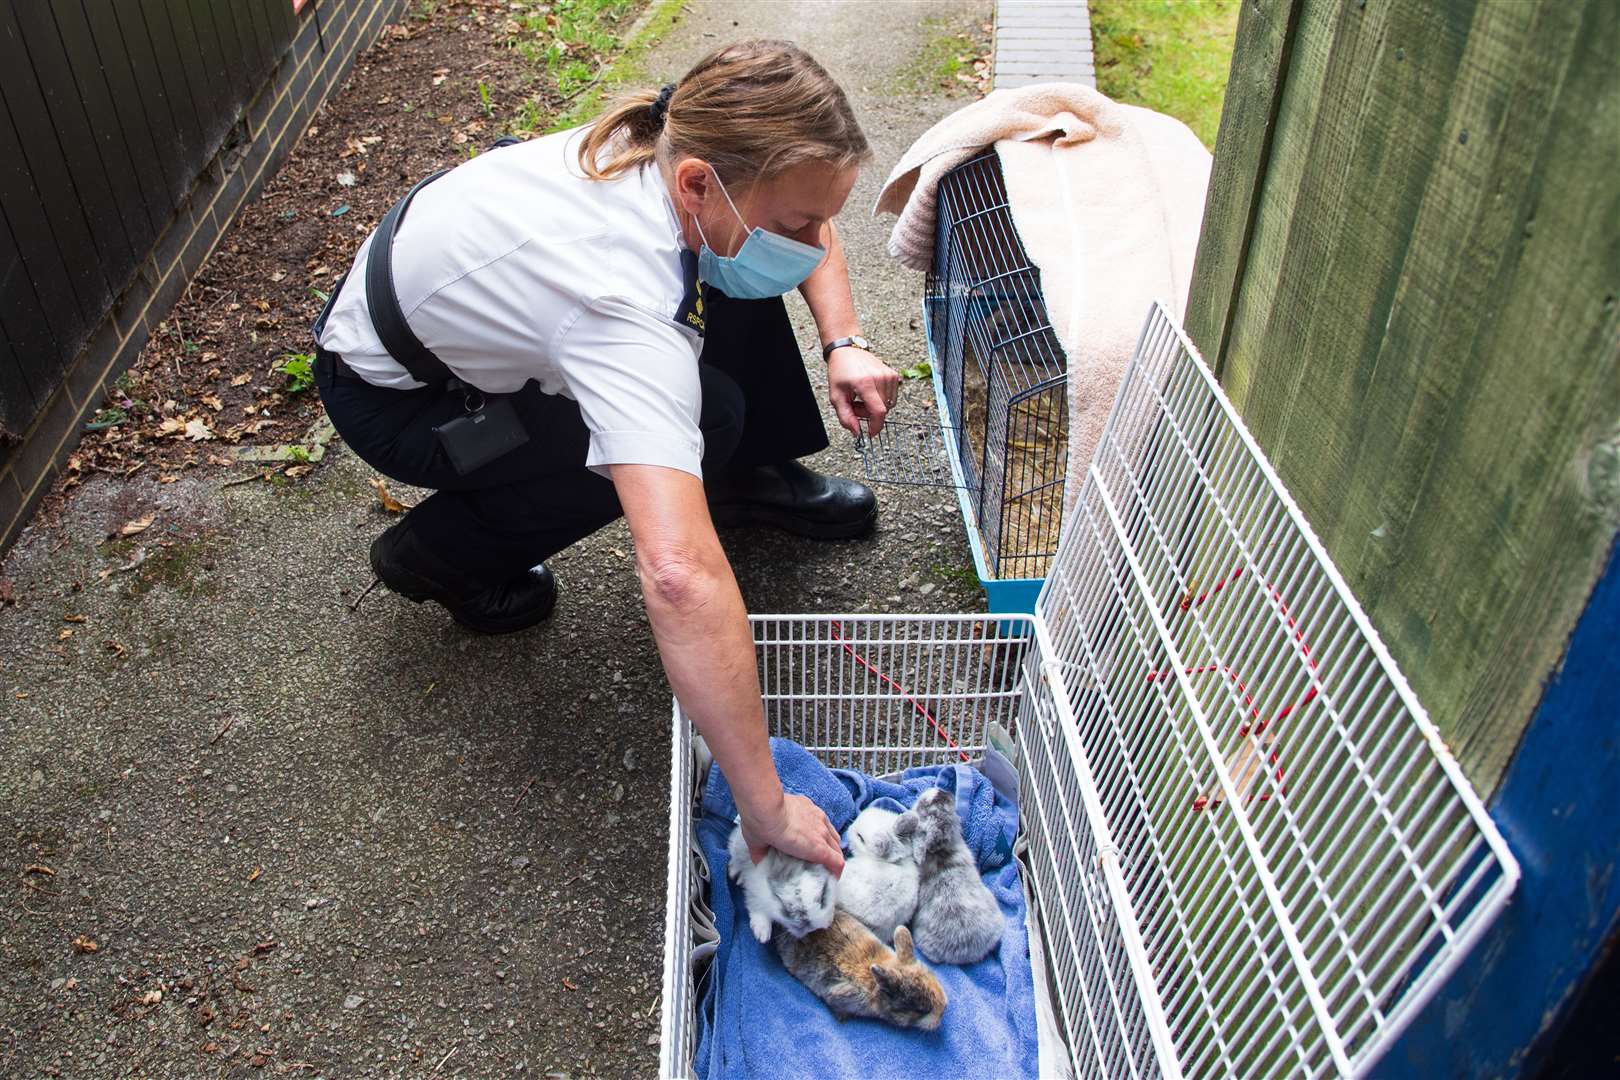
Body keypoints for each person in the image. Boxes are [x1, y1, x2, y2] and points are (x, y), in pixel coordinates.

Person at [311, 41, 901, 875]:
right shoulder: (616, 300)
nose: (811, 242)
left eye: (817, 217)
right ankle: (438, 557)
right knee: (698, 417)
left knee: (730, 287)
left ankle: (746, 479)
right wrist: (766, 805)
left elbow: (797, 206)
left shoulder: (676, 147)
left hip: (458, 309)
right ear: (698, 180)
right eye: (797, 226)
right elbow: (677, 576)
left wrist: (844, 339)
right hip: (408, 402)